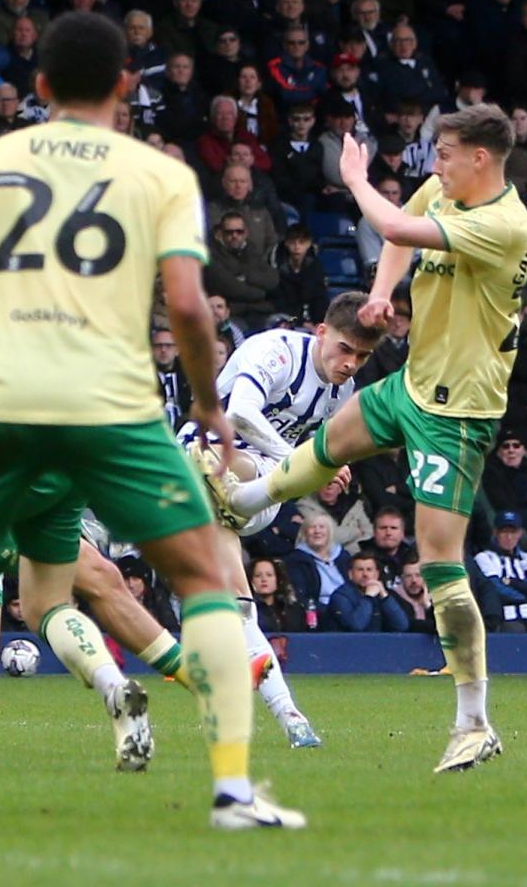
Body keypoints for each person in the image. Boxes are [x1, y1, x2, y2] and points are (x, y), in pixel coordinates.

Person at [0, 12, 303, 831]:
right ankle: (231, 791)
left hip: (2, 410)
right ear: (126, 86)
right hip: (110, 409)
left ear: (39, 87)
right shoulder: (159, 176)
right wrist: (204, 402)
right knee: (200, 580)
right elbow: (189, 306)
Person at [223, 103, 527, 772]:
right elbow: (400, 239)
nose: (435, 163)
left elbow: (391, 221)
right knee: (333, 438)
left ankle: (473, 722)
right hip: (416, 382)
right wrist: (380, 293)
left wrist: (355, 178)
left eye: (445, 153)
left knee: (439, 561)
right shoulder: (449, 191)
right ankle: (244, 502)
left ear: (481, 158)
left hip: (459, 412)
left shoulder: (504, 224)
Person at [181, 291, 383, 745]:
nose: (351, 363)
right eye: (345, 349)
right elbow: (240, 413)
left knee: (236, 470)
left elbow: (317, 453)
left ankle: (191, 496)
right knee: (241, 609)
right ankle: (292, 718)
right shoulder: (273, 351)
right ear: (321, 333)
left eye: (363, 356)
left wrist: (324, 467)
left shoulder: (341, 391)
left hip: (255, 491)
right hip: (223, 460)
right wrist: (304, 460)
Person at [473, 511, 527, 632]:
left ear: (520, 534)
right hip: (508, 620)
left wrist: (513, 582)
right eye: (504, 532)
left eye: (513, 532)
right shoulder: (485, 557)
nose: (509, 537)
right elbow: (497, 591)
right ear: (495, 533)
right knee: (515, 629)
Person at [328, 550, 410, 632]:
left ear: (377, 574)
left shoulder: (382, 594)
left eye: (369, 570)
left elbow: (402, 625)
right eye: (360, 570)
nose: (365, 574)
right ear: (350, 574)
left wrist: (385, 596)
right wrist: (368, 597)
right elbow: (356, 626)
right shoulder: (340, 596)